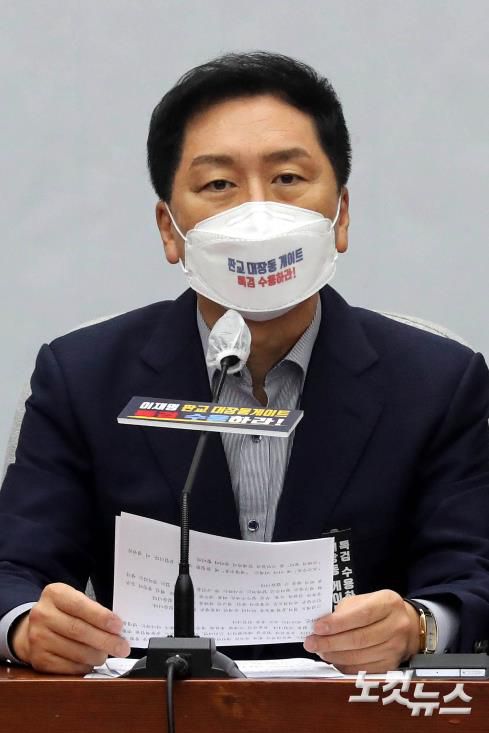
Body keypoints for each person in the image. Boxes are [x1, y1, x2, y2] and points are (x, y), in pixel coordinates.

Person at [1, 52, 488, 676]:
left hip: (358, 712)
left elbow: (473, 576)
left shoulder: (436, 382)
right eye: (219, 186)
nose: (258, 214)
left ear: (340, 215)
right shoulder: (85, 376)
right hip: (150, 709)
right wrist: (26, 627)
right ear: (170, 229)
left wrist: (419, 625)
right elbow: (14, 569)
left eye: (287, 178)